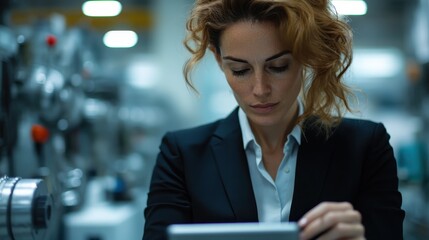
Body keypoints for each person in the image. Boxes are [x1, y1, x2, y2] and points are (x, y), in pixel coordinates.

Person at [143, 0, 405, 239]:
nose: (260, 89)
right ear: (219, 59)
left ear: (304, 55)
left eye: (278, 67)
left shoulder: (364, 147)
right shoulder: (182, 155)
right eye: (240, 70)